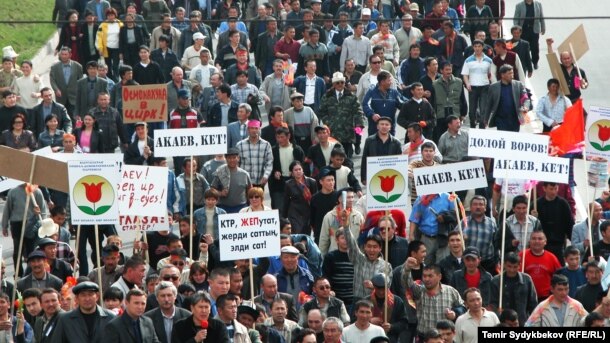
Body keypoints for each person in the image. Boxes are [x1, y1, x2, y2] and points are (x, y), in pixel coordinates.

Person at [402, 261, 464, 340]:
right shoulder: (419, 291)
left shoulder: (451, 291)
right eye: (424, 276)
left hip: (444, 338)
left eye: (430, 276)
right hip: (424, 337)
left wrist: (455, 314)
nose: (427, 279)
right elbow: (407, 283)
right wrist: (407, 269)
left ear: (439, 276)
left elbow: (463, 308)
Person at [2, 183, 48, 275]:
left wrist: (44, 224)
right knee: (18, 251)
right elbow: (7, 209)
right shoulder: (13, 192)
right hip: (17, 224)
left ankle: (31, 272)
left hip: (32, 223)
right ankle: (18, 273)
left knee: (32, 250)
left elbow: (43, 209)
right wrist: (4, 226)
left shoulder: (37, 191)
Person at [344, 214, 392, 302]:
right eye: (369, 246)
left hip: (377, 303)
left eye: (375, 247)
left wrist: (374, 287)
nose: (371, 250)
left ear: (380, 248)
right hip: (358, 301)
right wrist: (346, 226)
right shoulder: (359, 259)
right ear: (364, 247)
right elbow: (352, 244)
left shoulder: (386, 265)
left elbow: (387, 287)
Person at [318, 72, 365, 159]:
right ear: (333, 84)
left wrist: (359, 126)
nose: (340, 84)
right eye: (337, 83)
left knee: (347, 158)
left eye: (342, 82)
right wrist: (329, 122)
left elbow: (358, 111)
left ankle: (357, 145)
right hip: (332, 133)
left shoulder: (351, 96)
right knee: (333, 158)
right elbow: (321, 112)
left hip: (348, 133)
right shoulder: (327, 96)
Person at [50, 281, 116, 343]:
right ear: (77, 299)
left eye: (90, 294)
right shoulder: (65, 319)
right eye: (83, 295)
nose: (87, 299)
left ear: (97, 297)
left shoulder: (110, 317)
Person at [537, 182, 574, 263]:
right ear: (544, 188)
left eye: (555, 189)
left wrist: (573, 241)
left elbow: (570, 224)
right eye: (551, 189)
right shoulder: (537, 204)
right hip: (541, 244)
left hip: (558, 243)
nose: (553, 192)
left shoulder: (563, 204)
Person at [520, 230, 562, 301]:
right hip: (526, 296)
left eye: (540, 239)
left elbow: (559, 277)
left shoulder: (552, 258)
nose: (536, 241)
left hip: (546, 298)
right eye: (534, 238)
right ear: (529, 241)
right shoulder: (522, 256)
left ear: (545, 242)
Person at [485, 64, 528, 132]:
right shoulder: (493, 87)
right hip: (501, 120)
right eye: (509, 73)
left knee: (514, 139)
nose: (512, 75)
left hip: (515, 119)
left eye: (512, 73)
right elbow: (489, 104)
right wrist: (486, 119)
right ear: (502, 75)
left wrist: (525, 106)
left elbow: (526, 98)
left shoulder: (518, 85)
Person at [360, 117, 402, 185]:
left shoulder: (396, 142)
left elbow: (400, 162)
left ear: (390, 127)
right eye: (382, 124)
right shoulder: (369, 141)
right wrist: (364, 178)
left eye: (387, 124)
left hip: (390, 176)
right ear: (377, 126)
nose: (384, 126)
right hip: (373, 175)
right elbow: (364, 159)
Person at [432, 62, 467, 142]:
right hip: (441, 115)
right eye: (446, 70)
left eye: (450, 69)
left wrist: (463, 114)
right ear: (441, 71)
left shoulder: (458, 82)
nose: (449, 72)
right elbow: (433, 102)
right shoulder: (435, 84)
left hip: (455, 113)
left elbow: (462, 99)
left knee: (455, 136)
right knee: (441, 138)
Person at [462, 40, 492, 129]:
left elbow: (491, 74)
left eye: (479, 46)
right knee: (472, 111)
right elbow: (465, 74)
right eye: (475, 46)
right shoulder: (468, 60)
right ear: (473, 48)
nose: (477, 48)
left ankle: (482, 129)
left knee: (483, 110)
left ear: (482, 47)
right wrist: (467, 84)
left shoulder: (488, 60)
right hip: (473, 87)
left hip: (484, 87)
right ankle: (472, 126)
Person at [211, 147, 252, 213]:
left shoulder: (245, 174)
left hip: (241, 207)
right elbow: (212, 190)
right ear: (226, 159)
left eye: (234, 157)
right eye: (229, 158)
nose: (232, 160)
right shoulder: (220, 172)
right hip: (223, 207)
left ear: (238, 158)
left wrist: (250, 205)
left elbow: (250, 191)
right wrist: (220, 193)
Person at [362, 71, 403, 136]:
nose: (391, 82)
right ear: (382, 82)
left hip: (390, 128)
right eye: (389, 80)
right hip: (374, 128)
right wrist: (372, 114)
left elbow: (402, 104)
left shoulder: (394, 93)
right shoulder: (371, 92)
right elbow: (365, 104)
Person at [235, 120, 273, 189]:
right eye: (252, 128)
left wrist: (266, 176)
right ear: (248, 130)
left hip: (259, 182)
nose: (254, 130)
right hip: (244, 182)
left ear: (259, 130)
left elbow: (269, 162)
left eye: (256, 128)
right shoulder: (240, 145)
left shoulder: (266, 145)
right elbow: (237, 163)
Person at [49, 47, 83, 117]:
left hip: (73, 96)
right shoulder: (54, 67)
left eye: (65, 54)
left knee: (74, 116)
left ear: (70, 55)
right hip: (61, 97)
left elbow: (81, 81)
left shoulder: (78, 66)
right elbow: (52, 80)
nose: (64, 56)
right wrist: (56, 89)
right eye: (62, 54)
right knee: (61, 116)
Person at [514, 0, 545, 70]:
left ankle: (535, 61)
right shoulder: (519, 5)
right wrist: (516, 28)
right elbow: (516, 18)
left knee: (535, 47)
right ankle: (526, 63)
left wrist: (543, 27)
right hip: (523, 30)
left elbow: (541, 17)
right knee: (525, 47)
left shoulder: (538, 4)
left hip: (534, 30)